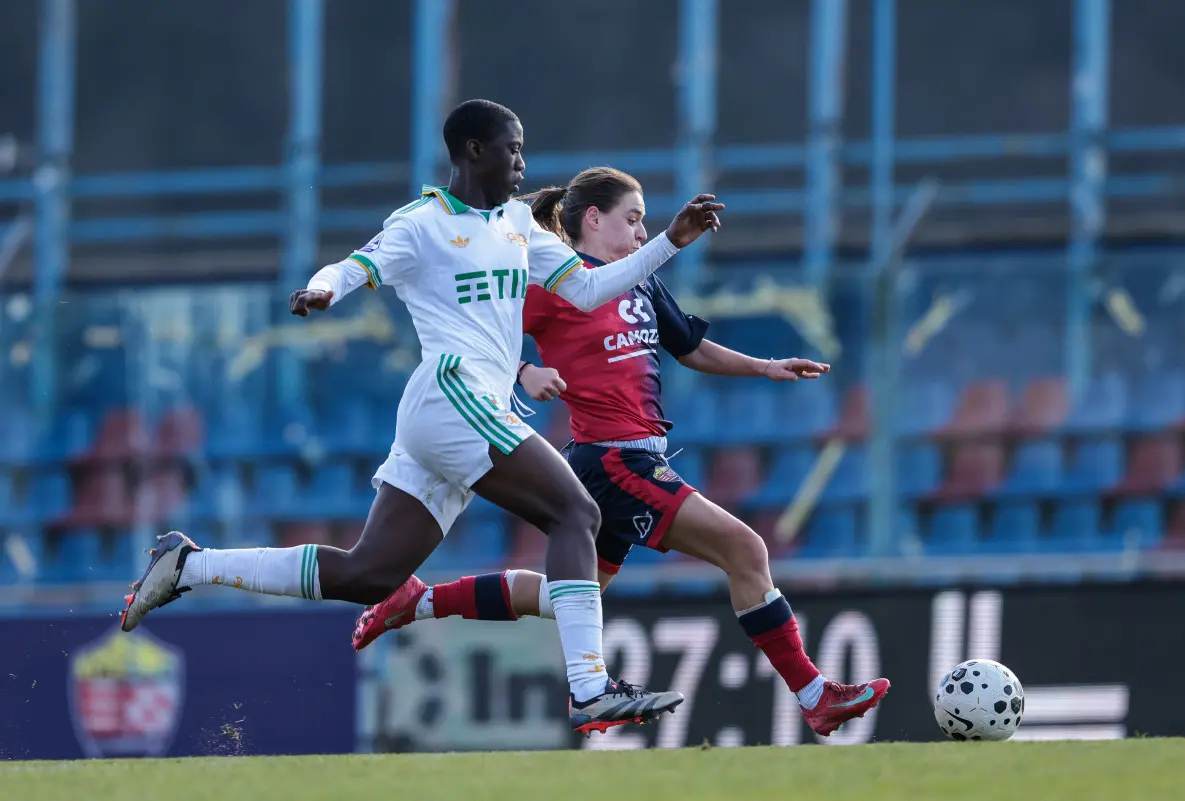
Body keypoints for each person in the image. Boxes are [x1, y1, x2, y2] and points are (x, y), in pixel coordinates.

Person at [119, 100, 725, 735]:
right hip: (451, 393)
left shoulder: (520, 225)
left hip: (458, 411)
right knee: (576, 512)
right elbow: (357, 264)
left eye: (521, 149)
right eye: (510, 147)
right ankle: (589, 687)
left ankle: (188, 564)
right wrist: (326, 289)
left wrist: (668, 243)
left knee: (369, 574)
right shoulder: (424, 222)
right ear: (471, 151)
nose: (521, 161)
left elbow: (590, 289)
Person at [351, 166, 889, 737]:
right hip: (614, 460)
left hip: (622, 459)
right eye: (632, 220)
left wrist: (764, 367)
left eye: (644, 223)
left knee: (567, 597)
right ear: (592, 219)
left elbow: (688, 346)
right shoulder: (553, 283)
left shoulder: (640, 280)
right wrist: (525, 369)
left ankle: (419, 601)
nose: (640, 233)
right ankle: (814, 694)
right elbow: (471, 334)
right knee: (745, 548)